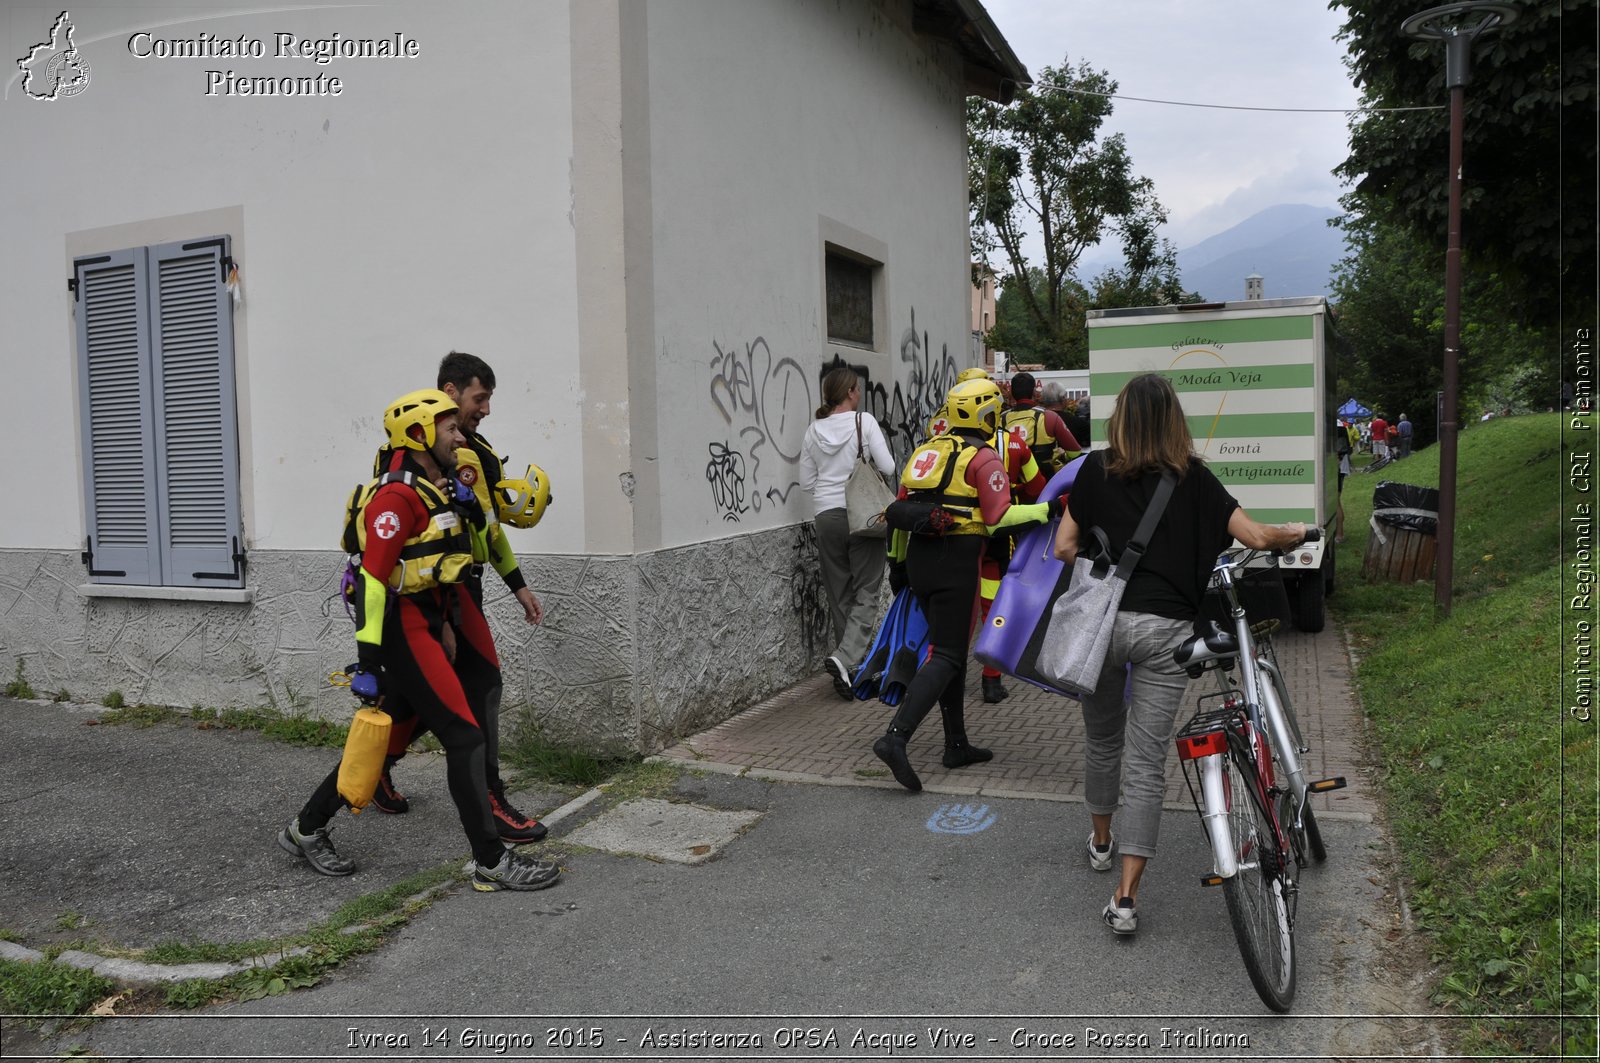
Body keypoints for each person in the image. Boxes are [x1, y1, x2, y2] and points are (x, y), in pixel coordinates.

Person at [1052, 374, 1307, 935]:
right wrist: (1290, 533)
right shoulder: (1196, 479)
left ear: (1120, 418)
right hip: (1166, 633)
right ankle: (1125, 897)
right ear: (1174, 420)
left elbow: (1062, 546)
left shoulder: (1095, 470)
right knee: (1145, 763)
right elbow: (1256, 537)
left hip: (1102, 627)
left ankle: (1100, 841)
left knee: (1101, 739)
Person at [279, 389, 560, 891]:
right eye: (449, 428)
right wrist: (368, 661)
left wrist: (449, 623)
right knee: (464, 736)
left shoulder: (441, 487)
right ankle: (492, 861)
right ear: (418, 435)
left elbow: (440, 565)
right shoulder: (395, 497)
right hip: (400, 630)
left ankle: (306, 827)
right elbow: (372, 579)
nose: (459, 436)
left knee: (395, 736)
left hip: (432, 621)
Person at [369, 352, 550, 847]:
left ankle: (366, 777)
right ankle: (490, 801)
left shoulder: (473, 449)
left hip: (459, 586)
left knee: (417, 699)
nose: (485, 409)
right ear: (450, 393)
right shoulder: (415, 454)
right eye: (480, 398)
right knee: (479, 687)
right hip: (430, 594)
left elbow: (485, 526)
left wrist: (517, 584)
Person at [870, 379, 1060, 792]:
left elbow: (901, 510)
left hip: (918, 559)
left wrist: (896, 566)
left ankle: (956, 744)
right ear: (986, 414)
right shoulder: (984, 457)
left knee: (947, 652)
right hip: (956, 561)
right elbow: (997, 519)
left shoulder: (926, 450)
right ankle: (895, 738)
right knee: (949, 654)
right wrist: (1048, 510)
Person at [799, 367, 896, 698]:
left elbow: (807, 482)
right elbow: (888, 467)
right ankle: (845, 658)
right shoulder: (863, 422)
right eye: (858, 389)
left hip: (827, 516)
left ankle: (850, 669)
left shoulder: (813, 431)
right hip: (863, 515)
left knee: (839, 591)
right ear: (852, 392)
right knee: (867, 592)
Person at [1004, 372, 1082, 475]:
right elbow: (1075, 452)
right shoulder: (1049, 417)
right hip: (1046, 483)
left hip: (1011, 482)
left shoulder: (1001, 419)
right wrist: (1062, 456)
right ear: (1034, 392)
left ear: (1012, 393)